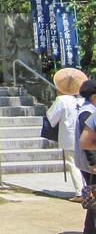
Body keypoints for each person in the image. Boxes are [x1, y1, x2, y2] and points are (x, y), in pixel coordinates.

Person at [48, 68, 88, 199]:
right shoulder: (84, 99)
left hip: (69, 136)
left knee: (73, 163)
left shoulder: (62, 100)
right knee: (86, 162)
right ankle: (88, 189)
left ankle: (80, 192)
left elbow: (51, 117)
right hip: (85, 135)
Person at [75, 79, 96, 234]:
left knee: (93, 197)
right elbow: (86, 142)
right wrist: (93, 162)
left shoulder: (87, 110)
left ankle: (89, 229)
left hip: (88, 162)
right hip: (90, 163)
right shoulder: (88, 112)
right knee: (93, 195)